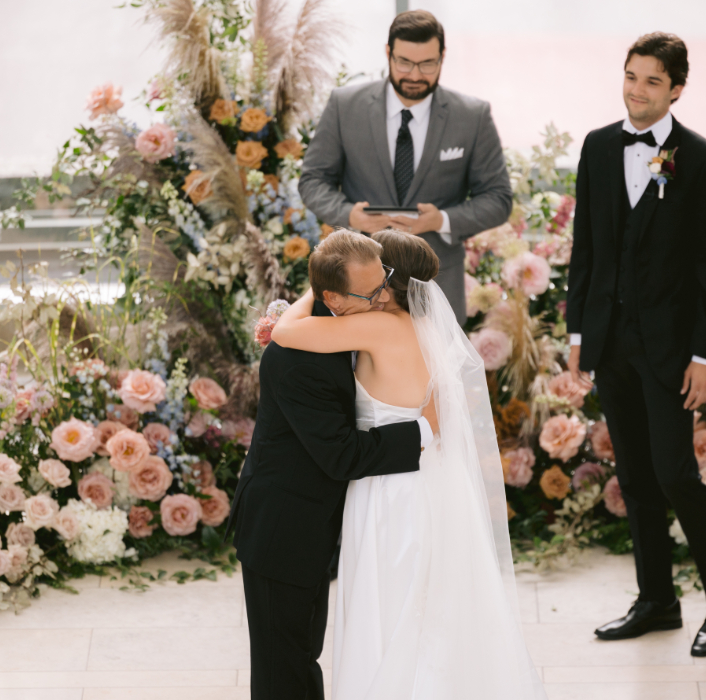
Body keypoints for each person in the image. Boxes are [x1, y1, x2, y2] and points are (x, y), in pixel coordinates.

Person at [272, 230, 546, 699]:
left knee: (390, 608)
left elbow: (281, 330)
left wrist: (318, 288)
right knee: (432, 613)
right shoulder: (421, 329)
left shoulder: (380, 326)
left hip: (390, 489)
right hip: (432, 480)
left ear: (389, 282)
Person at [566, 32, 706, 657]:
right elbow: (584, 246)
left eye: (651, 81)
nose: (637, 90)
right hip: (612, 343)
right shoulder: (595, 147)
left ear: (675, 89)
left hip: (672, 351)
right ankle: (657, 600)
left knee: (676, 474)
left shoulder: (701, 160)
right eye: (630, 76)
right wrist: (578, 332)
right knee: (637, 476)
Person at [227, 230, 439, 700]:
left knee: (303, 655)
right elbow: (343, 454)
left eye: (384, 281)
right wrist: (426, 431)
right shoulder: (298, 358)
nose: (383, 295)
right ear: (333, 298)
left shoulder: (346, 323)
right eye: (371, 291)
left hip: (315, 522)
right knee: (284, 667)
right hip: (283, 526)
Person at [298, 10, 512, 323]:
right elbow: (313, 180)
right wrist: (349, 215)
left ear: (442, 56)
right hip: (356, 285)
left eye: (428, 64)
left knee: (438, 372)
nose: (415, 75)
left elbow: (498, 198)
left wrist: (441, 220)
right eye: (404, 63)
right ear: (388, 53)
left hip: (436, 283)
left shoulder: (472, 116)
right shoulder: (345, 105)